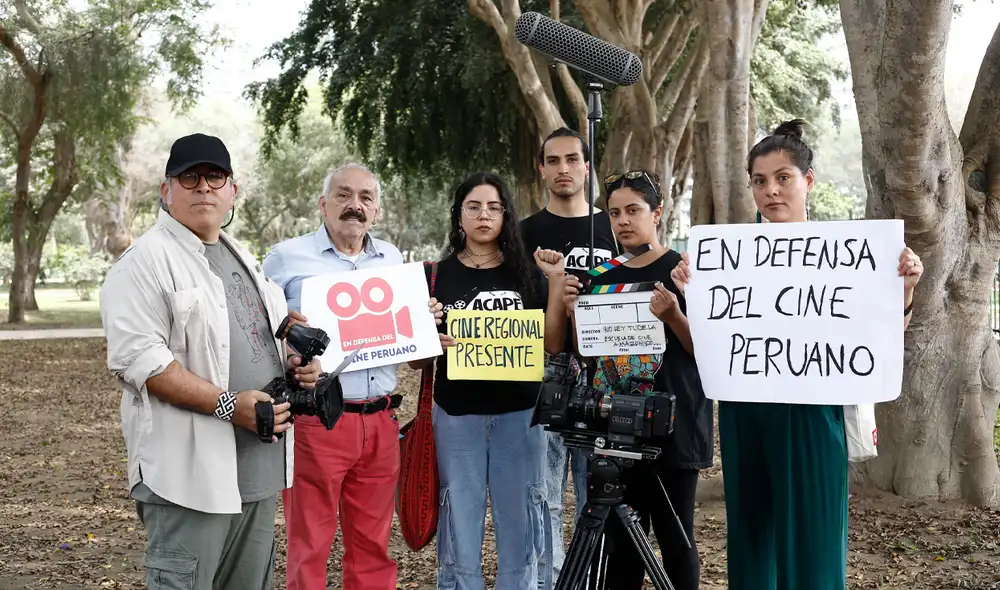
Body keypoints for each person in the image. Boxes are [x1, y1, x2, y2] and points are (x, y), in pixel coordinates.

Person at [670, 119, 924, 590]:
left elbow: (884, 335)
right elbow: (710, 345)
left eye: (783, 177)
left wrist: (904, 290)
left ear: (808, 181)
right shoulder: (727, 257)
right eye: (760, 181)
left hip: (814, 413)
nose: (771, 191)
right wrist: (694, 294)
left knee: (814, 541)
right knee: (751, 537)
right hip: (746, 412)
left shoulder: (848, 254)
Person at [100, 133, 322, 589]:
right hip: (189, 479)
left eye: (215, 176)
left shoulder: (241, 257)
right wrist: (229, 406)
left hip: (257, 474)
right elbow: (143, 361)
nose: (203, 186)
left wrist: (299, 365)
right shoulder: (143, 263)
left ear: (232, 191)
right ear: (167, 191)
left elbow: (266, 339)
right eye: (189, 177)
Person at [263, 163, 440, 590]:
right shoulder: (285, 259)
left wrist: (425, 323)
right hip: (316, 423)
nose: (354, 206)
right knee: (309, 546)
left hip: (381, 423)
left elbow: (410, 343)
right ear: (323, 205)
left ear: (376, 210)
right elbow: (259, 333)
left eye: (365, 198)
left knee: (373, 550)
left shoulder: (395, 261)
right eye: (343, 195)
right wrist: (287, 355)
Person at [407, 171, 569, 590]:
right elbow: (417, 363)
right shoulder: (434, 276)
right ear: (458, 215)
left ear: (506, 216)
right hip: (456, 418)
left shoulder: (527, 273)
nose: (484, 215)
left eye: (494, 207)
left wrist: (553, 284)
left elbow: (551, 344)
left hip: (520, 418)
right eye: (474, 206)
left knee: (520, 524)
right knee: (460, 523)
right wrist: (429, 336)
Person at [561, 169, 711, 590]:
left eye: (633, 210)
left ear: (657, 212)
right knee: (619, 539)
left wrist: (674, 315)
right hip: (615, 423)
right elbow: (586, 353)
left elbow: (707, 352)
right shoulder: (601, 277)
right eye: (614, 213)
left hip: (675, 422)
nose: (623, 221)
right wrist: (575, 314)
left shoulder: (685, 271)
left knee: (676, 536)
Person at [518, 127, 619, 588]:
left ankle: (590, 582)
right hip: (544, 374)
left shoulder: (612, 228)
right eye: (553, 161)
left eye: (572, 159)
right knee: (545, 494)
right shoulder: (524, 233)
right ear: (541, 169)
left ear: (586, 166)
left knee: (595, 496)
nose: (563, 168)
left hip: (605, 378)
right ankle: (548, 581)